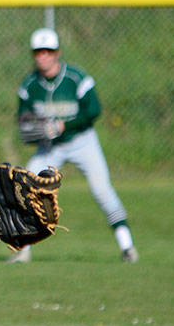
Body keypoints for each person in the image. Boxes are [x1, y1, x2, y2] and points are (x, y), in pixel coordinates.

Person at [9, 26, 138, 263]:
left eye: (48, 51)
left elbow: (94, 110)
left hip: (82, 141)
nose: (43, 56)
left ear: (57, 53)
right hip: (50, 147)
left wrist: (64, 126)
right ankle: (23, 251)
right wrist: (32, 128)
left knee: (102, 190)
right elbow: (23, 118)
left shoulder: (76, 78)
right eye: (38, 52)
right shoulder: (29, 85)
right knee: (25, 188)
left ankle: (127, 246)